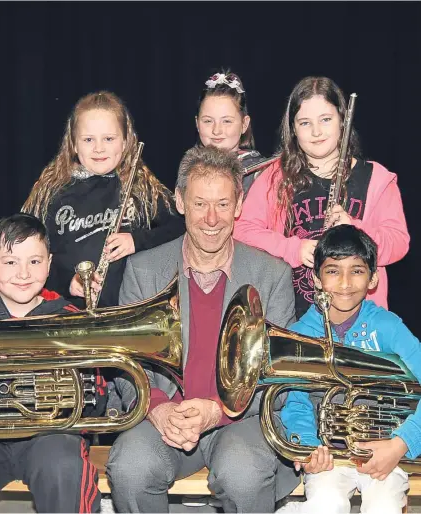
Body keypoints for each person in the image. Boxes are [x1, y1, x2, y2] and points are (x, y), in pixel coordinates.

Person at [105, 146, 299, 513]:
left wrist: (218, 410)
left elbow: (277, 374)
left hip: (242, 420)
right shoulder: (143, 270)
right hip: (165, 417)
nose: (212, 218)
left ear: (239, 205)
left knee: (244, 473)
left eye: (223, 204)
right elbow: (125, 361)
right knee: (130, 466)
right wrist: (158, 408)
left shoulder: (272, 275)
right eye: (199, 204)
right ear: (179, 201)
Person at [234, 76, 409, 319]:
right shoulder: (275, 178)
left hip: (362, 323)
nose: (316, 132)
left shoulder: (376, 178)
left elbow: (399, 243)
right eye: (305, 123)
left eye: (326, 120)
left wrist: (356, 229)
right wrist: (292, 248)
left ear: (343, 120)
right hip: (294, 321)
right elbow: (241, 230)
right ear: (293, 129)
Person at [277, 224, 421, 514]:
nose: (344, 282)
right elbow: (296, 402)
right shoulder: (299, 335)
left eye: (356, 270)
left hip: (385, 451)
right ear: (316, 279)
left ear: (373, 278)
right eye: (332, 271)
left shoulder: (390, 328)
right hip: (327, 455)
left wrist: (402, 444)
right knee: (325, 506)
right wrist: (308, 447)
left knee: (384, 507)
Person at [0, 213, 103, 513]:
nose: (23, 273)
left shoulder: (71, 318)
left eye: (34, 261)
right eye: (10, 262)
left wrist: (74, 385)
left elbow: (100, 399)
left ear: (50, 263)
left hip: (49, 436)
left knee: (65, 467)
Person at [22, 90, 185, 308]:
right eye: (88, 139)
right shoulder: (52, 190)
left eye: (109, 139)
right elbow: (27, 255)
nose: (99, 148)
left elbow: (183, 224)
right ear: (73, 143)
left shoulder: (139, 186)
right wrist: (65, 283)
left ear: (126, 141)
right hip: (67, 314)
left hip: (129, 313)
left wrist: (136, 241)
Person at [196, 70, 273, 196]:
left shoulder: (261, 173)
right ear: (197, 124)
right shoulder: (189, 171)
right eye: (208, 121)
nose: (216, 130)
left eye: (226, 121)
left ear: (244, 124)